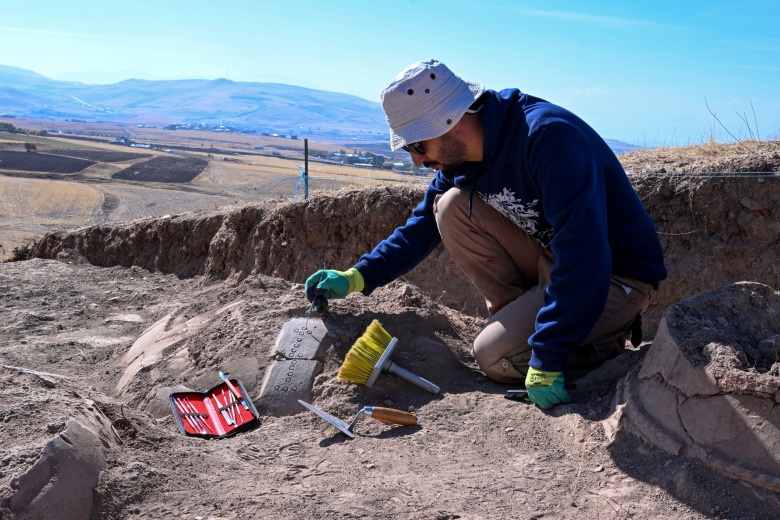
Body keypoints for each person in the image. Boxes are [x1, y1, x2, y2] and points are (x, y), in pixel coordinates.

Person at [305, 59, 666, 409]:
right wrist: (356, 277)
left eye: (417, 145)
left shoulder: (548, 139)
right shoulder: (462, 158)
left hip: (614, 276)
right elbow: (421, 227)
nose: (416, 160)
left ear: (452, 122)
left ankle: (590, 343)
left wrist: (549, 352)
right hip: (555, 260)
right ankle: (529, 325)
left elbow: (586, 256)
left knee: (491, 357)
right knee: (450, 207)